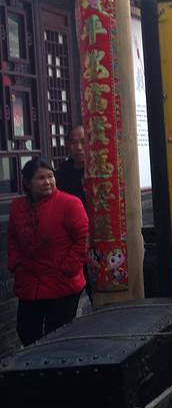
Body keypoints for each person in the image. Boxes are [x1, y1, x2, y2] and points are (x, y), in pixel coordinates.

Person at [8, 158, 89, 347]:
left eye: (50, 176)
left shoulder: (69, 203)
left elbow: (83, 238)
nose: (47, 182)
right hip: (29, 282)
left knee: (57, 336)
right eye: (40, 178)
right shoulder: (17, 207)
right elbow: (12, 238)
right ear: (27, 183)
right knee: (26, 331)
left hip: (62, 281)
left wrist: (68, 268)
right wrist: (15, 264)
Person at [56, 125, 92, 302]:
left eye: (83, 142)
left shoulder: (102, 169)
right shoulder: (61, 174)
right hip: (72, 244)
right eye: (73, 142)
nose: (78, 147)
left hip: (98, 238)